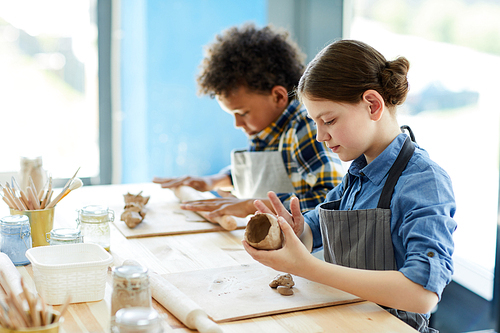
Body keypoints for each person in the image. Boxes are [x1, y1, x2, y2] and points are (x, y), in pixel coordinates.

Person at [243, 39, 456, 333]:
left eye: (328, 120)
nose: (320, 136)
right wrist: (295, 231)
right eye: (315, 123)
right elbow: (311, 232)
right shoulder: (355, 176)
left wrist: (308, 268)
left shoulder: (423, 181)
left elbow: (422, 294)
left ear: (372, 105)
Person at [153, 23, 344, 219]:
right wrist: (213, 181)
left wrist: (253, 206)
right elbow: (259, 173)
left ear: (278, 97)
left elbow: (331, 200)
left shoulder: (305, 128)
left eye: (243, 112)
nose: (237, 123)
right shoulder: (265, 129)